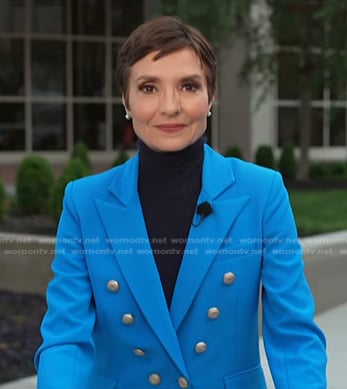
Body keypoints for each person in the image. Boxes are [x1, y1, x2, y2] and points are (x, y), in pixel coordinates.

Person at [35, 15, 327, 389]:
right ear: (125, 99)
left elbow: (294, 338)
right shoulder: (84, 202)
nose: (170, 107)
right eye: (148, 88)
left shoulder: (262, 193)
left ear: (211, 97)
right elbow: (66, 342)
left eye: (188, 86)